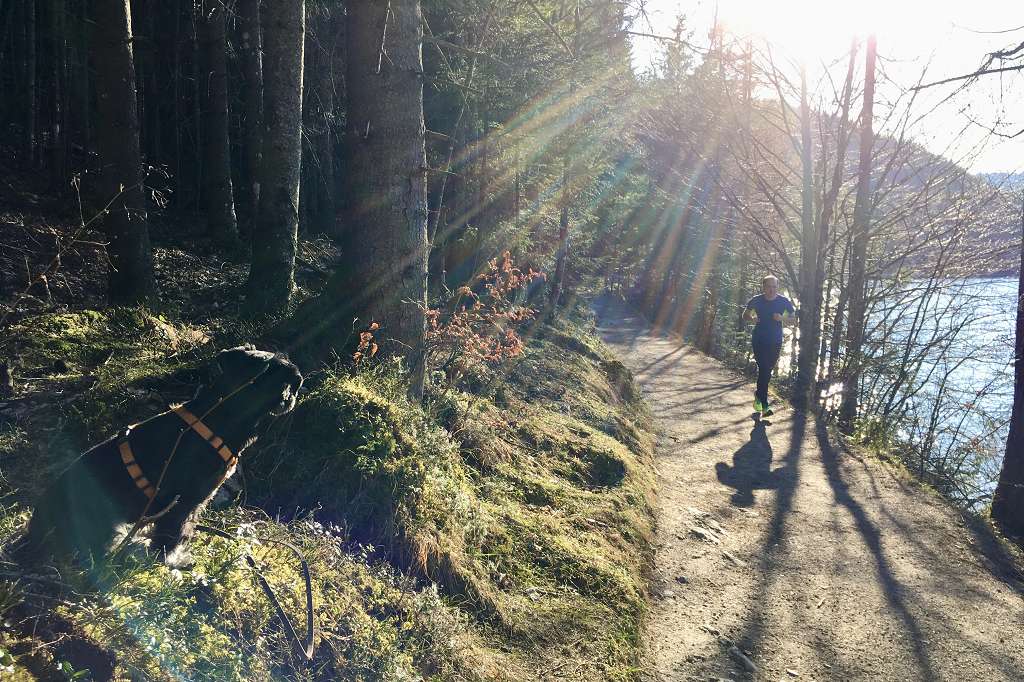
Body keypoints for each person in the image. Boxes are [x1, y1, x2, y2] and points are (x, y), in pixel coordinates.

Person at [743, 275, 796, 418]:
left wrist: (782, 318)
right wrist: (752, 319)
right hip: (759, 340)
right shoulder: (756, 300)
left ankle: (759, 395)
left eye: (774, 287)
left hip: (775, 342)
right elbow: (745, 315)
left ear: (777, 288)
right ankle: (764, 406)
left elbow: (794, 319)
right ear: (763, 287)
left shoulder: (783, 302)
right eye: (768, 287)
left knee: (767, 371)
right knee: (764, 369)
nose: (771, 290)